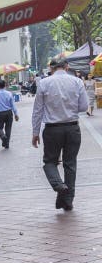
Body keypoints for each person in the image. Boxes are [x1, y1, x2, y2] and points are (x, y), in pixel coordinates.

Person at [32, 58, 88, 211]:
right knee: (70, 164)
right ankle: (68, 201)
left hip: (52, 130)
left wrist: (35, 132)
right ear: (67, 67)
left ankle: (58, 186)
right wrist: (70, 107)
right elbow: (84, 106)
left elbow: (37, 110)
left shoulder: (44, 83)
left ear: (51, 68)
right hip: (72, 128)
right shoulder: (77, 81)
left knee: (50, 162)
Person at [0, 79, 19, 149]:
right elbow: (13, 105)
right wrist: (16, 114)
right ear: (5, 85)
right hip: (8, 113)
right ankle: (6, 143)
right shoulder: (9, 93)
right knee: (8, 128)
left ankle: (3, 137)